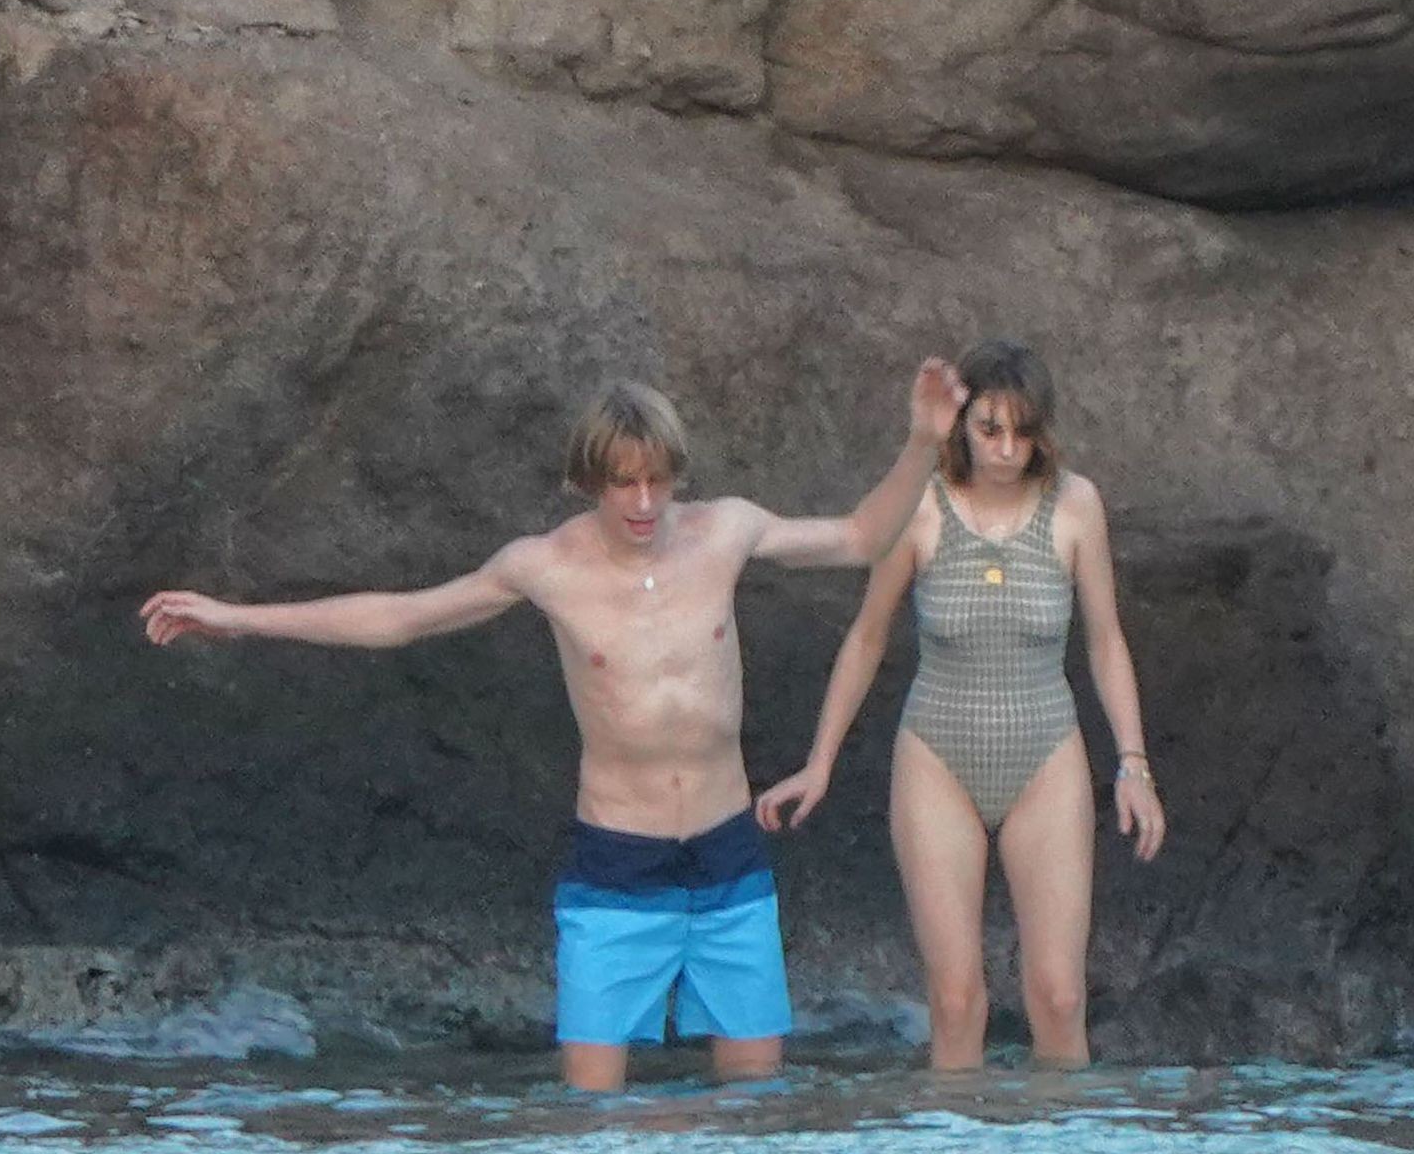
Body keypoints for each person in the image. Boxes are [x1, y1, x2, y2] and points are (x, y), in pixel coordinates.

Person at [142, 360, 968, 1093]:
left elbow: (861, 537)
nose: (643, 503)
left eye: (657, 482)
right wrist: (239, 619)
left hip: (727, 853)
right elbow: (400, 617)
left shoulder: (724, 531)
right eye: (623, 484)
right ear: (588, 481)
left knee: (752, 1101)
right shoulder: (543, 566)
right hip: (617, 860)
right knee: (594, 1114)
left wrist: (923, 441)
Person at [756, 339, 1164, 1071]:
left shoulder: (1076, 504)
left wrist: (1133, 764)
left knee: (1059, 997)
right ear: (961, 425)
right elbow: (867, 637)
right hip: (937, 755)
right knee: (954, 1001)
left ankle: (1064, 1142)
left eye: (1022, 432)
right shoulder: (920, 506)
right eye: (989, 429)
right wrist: (819, 762)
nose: (1006, 450)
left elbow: (1106, 641)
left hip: (1045, 753)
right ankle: (953, 1142)